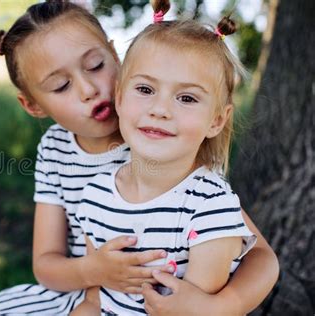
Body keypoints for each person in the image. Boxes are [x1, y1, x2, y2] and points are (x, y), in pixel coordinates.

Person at [0, 1, 279, 315]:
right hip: (82, 292)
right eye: (61, 85)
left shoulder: (156, 138)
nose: (87, 89)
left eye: (96, 66)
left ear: (115, 55)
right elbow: (46, 264)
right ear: (34, 106)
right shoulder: (55, 148)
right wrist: (94, 271)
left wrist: (219, 307)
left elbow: (260, 256)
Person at [74, 1, 267, 314]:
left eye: (186, 98)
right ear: (120, 98)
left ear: (216, 120)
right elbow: (94, 301)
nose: (160, 109)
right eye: (146, 89)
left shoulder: (210, 207)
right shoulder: (96, 196)